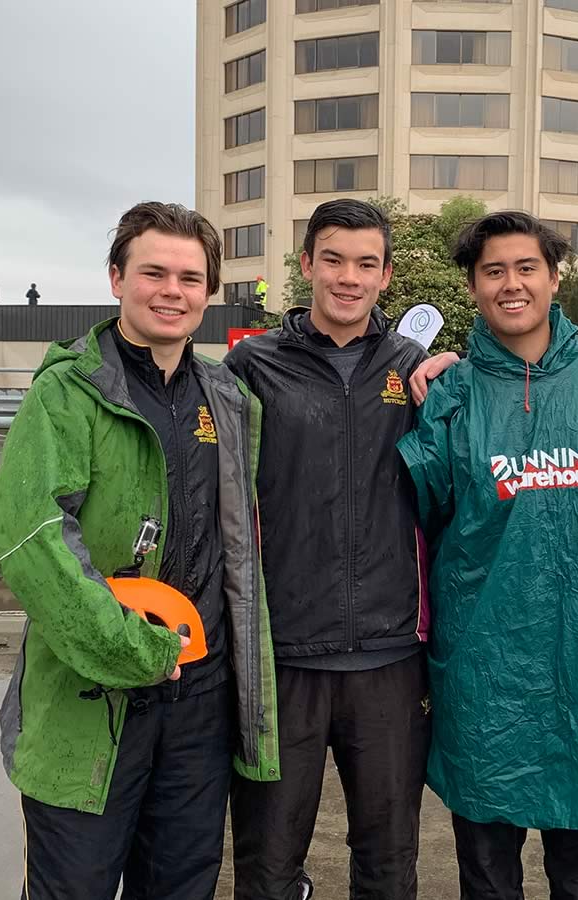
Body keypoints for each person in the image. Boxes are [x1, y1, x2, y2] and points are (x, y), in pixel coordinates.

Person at [0, 201, 279, 900]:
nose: (172, 291)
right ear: (117, 278)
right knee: (73, 887)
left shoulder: (231, 401)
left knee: (181, 885)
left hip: (200, 700)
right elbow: (29, 535)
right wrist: (129, 648)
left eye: (189, 277)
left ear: (208, 293)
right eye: (154, 272)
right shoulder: (68, 392)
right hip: (92, 694)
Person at [397, 211, 578, 900]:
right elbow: (418, 508)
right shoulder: (451, 392)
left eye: (526, 268)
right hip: (487, 667)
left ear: (554, 278)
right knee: (488, 873)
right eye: (494, 271)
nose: (511, 285)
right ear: (472, 286)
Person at [225, 198, 455, 900]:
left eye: (365, 263)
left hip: (389, 659)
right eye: (333, 259)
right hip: (283, 655)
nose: (348, 277)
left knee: (387, 868)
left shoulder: (416, 368)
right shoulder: (251, 365)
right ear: (306, 266)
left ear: (385, 276)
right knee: (266, 868)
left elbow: (455, 484)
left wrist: (456, 391)